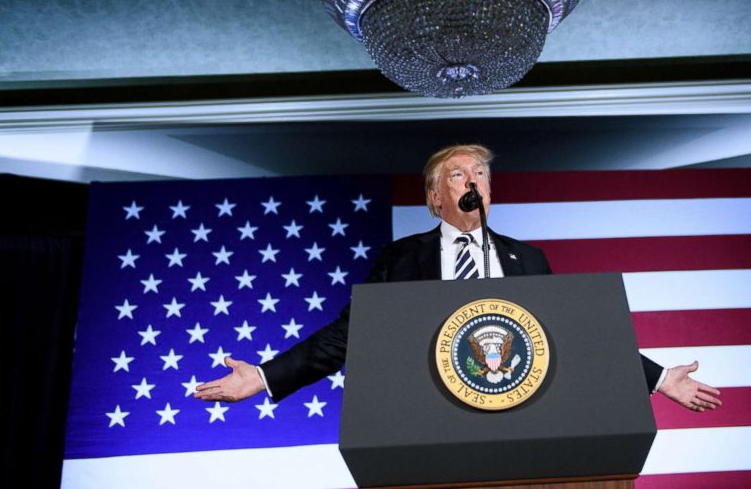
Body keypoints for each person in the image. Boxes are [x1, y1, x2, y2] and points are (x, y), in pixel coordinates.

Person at [195, 144, 722, 412]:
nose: (473, 181)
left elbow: (571, 337)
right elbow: (348, 335)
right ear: (434, 197)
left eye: (482, 175)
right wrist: (266, 376)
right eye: (458, 174)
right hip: (431, 414)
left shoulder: (528, 260)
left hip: (522, 414)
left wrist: (655, 378)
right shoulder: (400, 260)